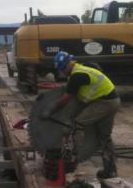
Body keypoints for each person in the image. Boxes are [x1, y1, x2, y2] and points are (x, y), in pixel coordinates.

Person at [41, 51, 121, 179]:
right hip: (113, 101)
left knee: (77, 124)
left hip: (104, 103)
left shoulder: (77, 76)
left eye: (62, 69)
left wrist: (50, 111)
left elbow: (65, 100)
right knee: (105, 137)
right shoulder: (81, 68)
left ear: (66, 65)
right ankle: (110, 171)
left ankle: (74, 157)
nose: (62, 72)